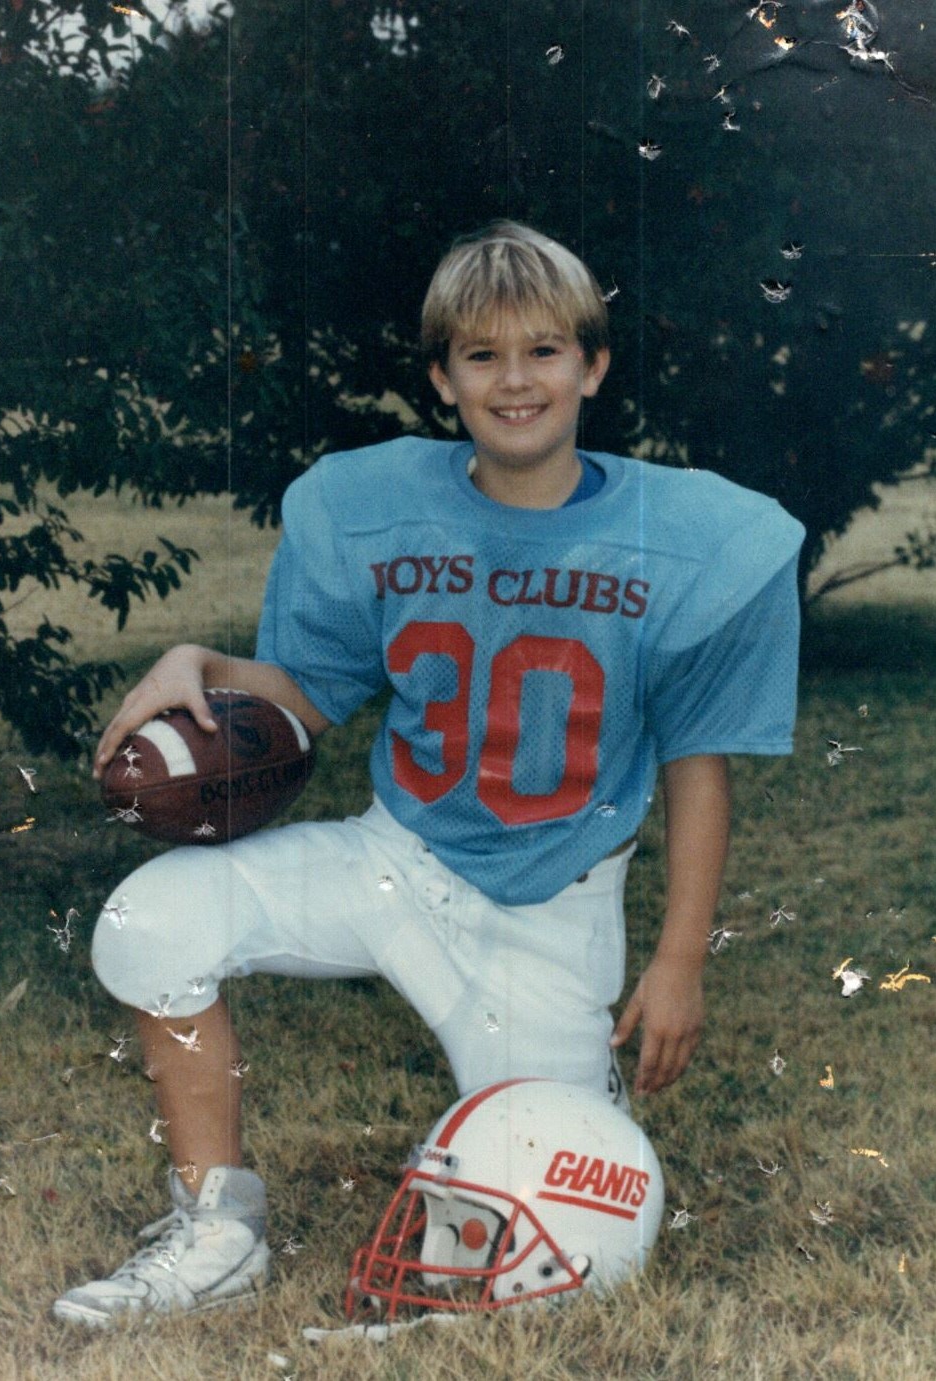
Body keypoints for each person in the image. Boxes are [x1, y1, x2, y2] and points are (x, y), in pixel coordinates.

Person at [53, 221, 804, 1328]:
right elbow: (307, 694)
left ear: (593, 366)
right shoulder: (379, 504)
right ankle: (217, 1228)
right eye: (482, 355)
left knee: (547, 1214)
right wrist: (199, 662)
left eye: (544, 351)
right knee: (147, 923)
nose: (516, 381)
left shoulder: (682, 531)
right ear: (444, 378)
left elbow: (698, 763)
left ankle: (555, 1096)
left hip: (552, 912)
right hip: (395, 860)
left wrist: (680, 957)